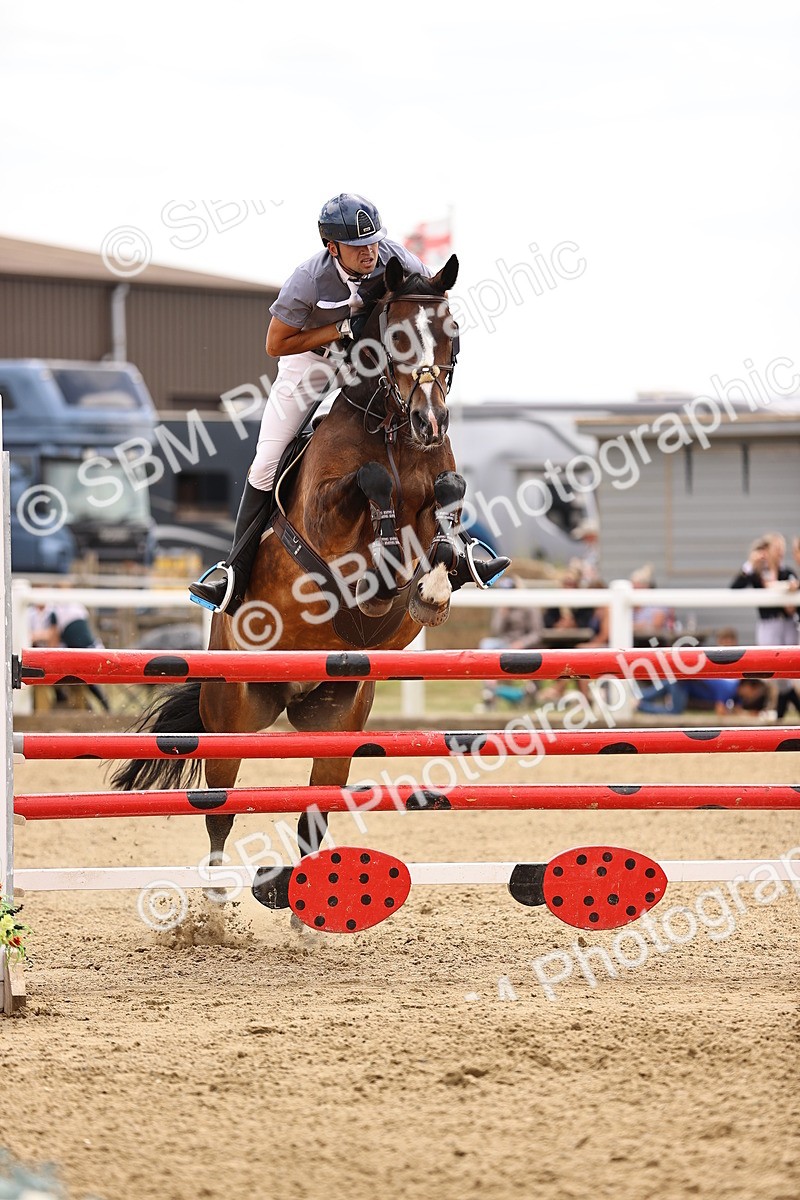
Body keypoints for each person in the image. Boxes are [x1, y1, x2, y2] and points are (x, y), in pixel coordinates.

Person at [190, 193, 507, 613]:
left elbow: (431, 307)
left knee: (424, 419)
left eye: (374, 242)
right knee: (266, 459)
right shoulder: (308, 280)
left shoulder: (400, 260)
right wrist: (340, 327)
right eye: (359, 247)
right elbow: (276, 344)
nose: (370, 252)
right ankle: (235, 570)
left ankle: (458, 546)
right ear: (332, 248)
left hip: (374, 363)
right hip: (314, 361)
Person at [730, 532, 799, 718]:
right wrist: (750, 564)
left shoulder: (787, 572)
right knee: (773, 667)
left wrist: (791, 593)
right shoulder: (758, 573)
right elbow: (735, 587)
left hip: (787, 624)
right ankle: (784, 708)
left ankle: (781, 711)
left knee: (790, 666)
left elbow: (794, 605)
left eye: (781, 549)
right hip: (768, 624)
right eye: (776, 548)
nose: (780, 553)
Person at [476, 575, 543, 711]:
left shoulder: (529, 606)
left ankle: (492, 693)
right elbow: (496, 630)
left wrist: (521, 643)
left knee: (498, 650)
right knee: (486, 646)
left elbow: (536, 634)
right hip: (505, 642)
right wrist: (502, 614)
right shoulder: (502, 606)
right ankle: (490, 692)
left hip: (523, 644)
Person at [28, 602, 109, 711]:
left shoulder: (55, 611)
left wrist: (37, 636)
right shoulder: (37, 612)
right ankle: (98, 708)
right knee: (80, 681)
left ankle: (93, 708)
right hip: (64, 657)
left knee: (81, 680)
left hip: (67, 657)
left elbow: (53, 638)